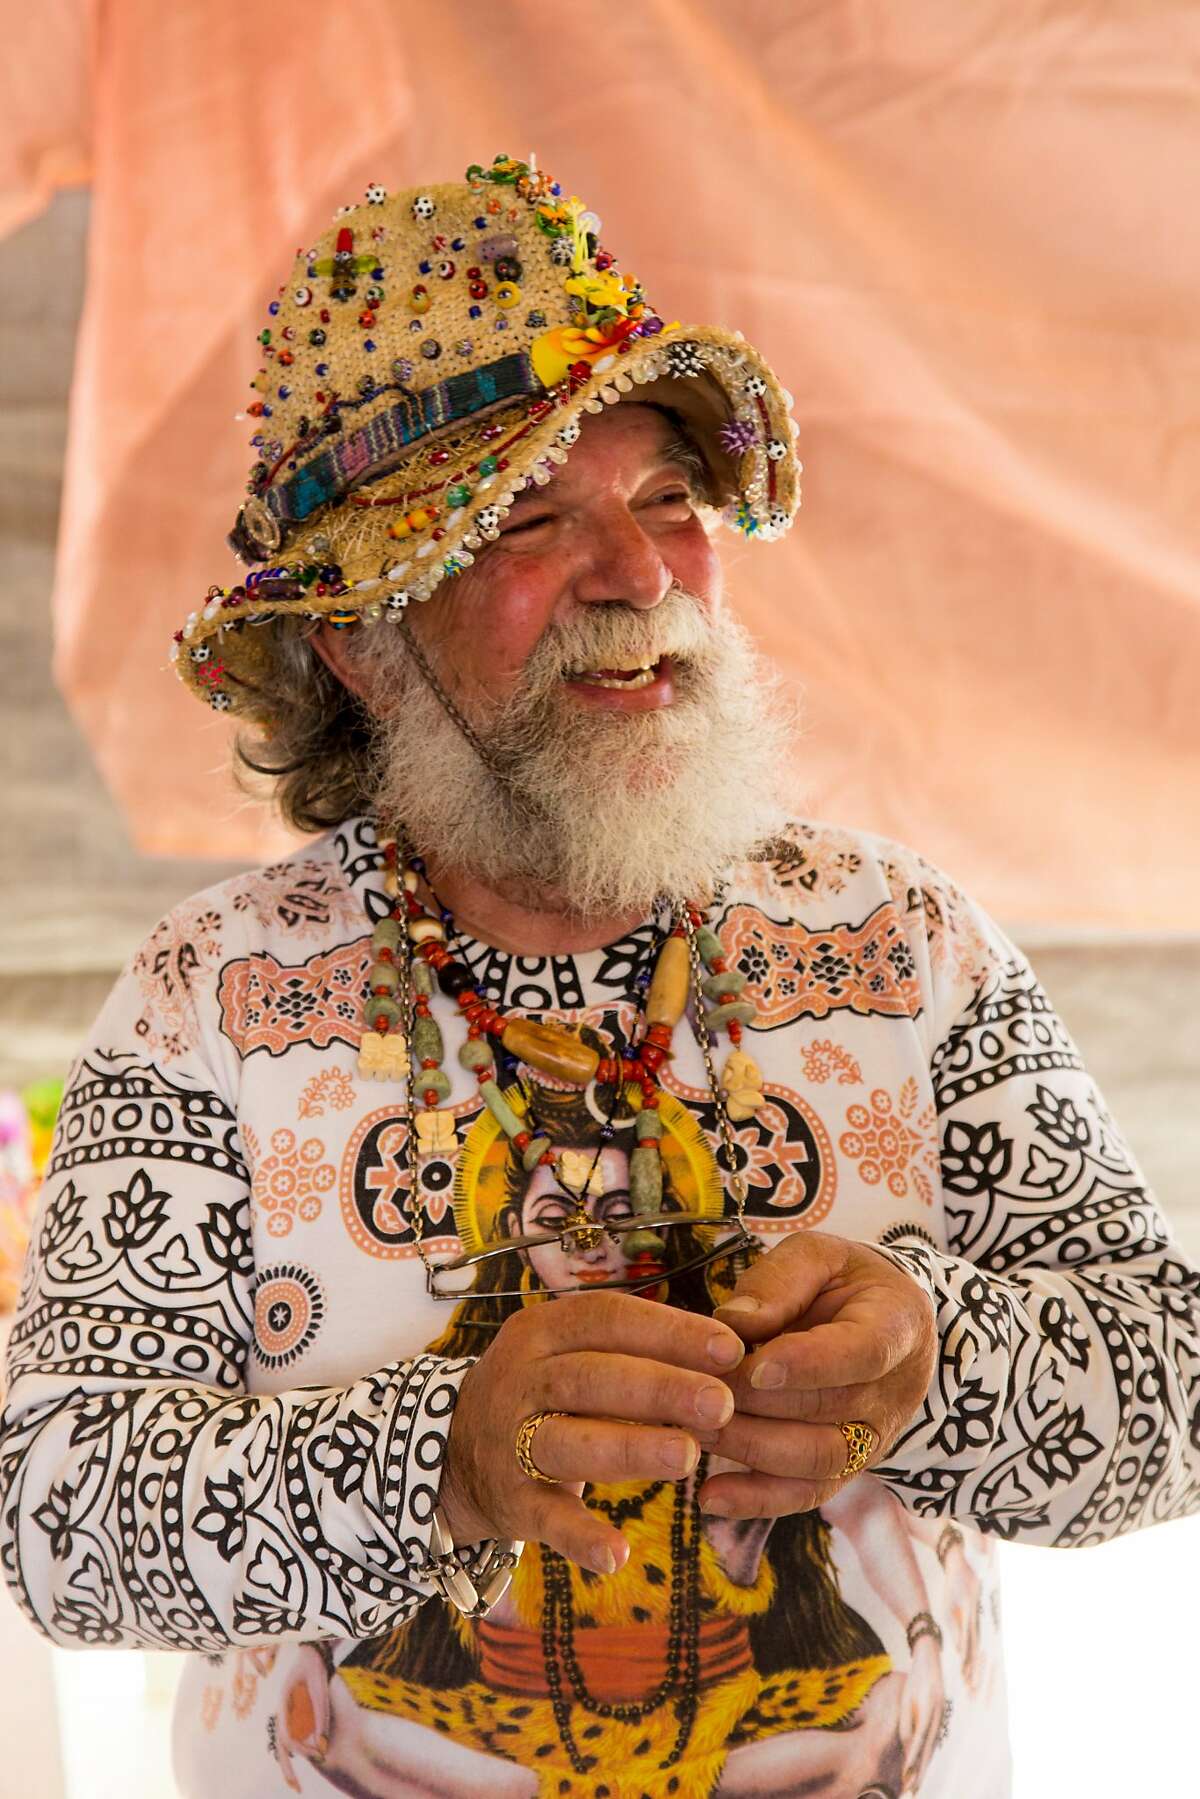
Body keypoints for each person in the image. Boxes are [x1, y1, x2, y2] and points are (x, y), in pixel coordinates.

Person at [0, 153, 1196, 1799]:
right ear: (360, 634)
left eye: (669, 505)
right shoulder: (210, 1002)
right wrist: (440, 1460)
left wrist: (938, 1365)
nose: (638, 576)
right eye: (529, 521)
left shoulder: (903, 945)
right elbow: (58, 1523)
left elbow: (1175, 1397)